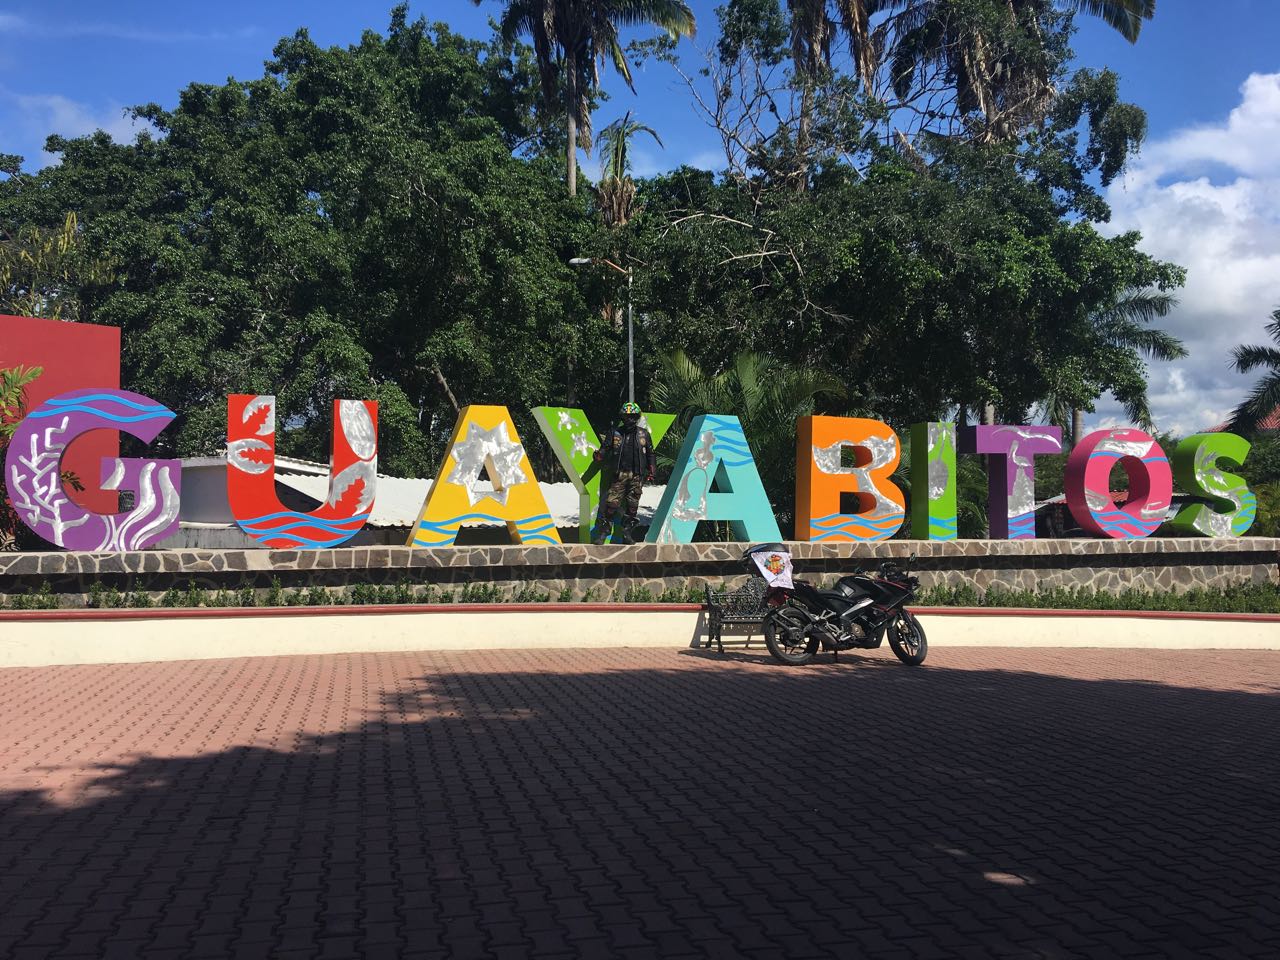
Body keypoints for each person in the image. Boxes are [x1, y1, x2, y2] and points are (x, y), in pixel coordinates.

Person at [591, 402, 656, 545]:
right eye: (626, 417)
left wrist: (652, 469)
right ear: (622, 418)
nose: (629, 420)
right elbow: (605, 448)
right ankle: (603, 534)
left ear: (637, 417)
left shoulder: (643, 434)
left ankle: (627, 534)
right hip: (619, 475)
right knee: (611, 505)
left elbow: (651, 453)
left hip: (636, 476)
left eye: (632, 417)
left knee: (632, 507)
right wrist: (598, 455)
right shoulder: (615, 433)